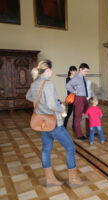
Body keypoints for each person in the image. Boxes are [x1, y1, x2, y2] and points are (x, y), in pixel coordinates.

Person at [26, 59, 84, 188]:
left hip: (42, 122)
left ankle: (50, 180)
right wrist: (61, 108)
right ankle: (73, 180)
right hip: (53, 122)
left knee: (46, 150)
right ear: (47, 70)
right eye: (51, 69)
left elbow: (28, 97)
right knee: (70, 147)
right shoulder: (48, 84)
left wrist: (40, 104)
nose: (52, 71)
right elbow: (52, 105)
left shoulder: (35, 83)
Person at [66, 63, 90, 140]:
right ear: (80, 69)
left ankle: (89, 132)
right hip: (79, 98)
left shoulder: (83, 77)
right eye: (85, 71)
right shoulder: (76, 78)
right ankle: (79, 135)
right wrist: (74, 92)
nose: (86, 73)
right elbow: (68, 86)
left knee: (88, 115)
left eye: (87, 71)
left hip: (84, 98)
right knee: (78, 118)